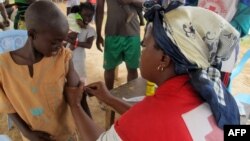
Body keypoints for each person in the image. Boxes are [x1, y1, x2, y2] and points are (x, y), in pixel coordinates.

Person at [65, 1, 240, 140]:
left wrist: (75, 105)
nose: (141, 47)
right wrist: (110, 99)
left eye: (145, 45)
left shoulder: (150, 115)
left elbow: (144, 122)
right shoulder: (214, 96)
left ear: (164, 59)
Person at [0, 1, 90, 140]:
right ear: (32, 34)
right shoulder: (3, 66)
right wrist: (27, 132)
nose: (60, 47)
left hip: (65, 134)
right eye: (54, 42)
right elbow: (6, 105)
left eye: (62, 41)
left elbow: (77, 93)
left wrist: (91, 131)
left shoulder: (62, 57)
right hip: (33, 136)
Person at [185, 0, 250, 87]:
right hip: (194, 42)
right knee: (188, 83)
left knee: (217, 87)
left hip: (225, 49)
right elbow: (189, 6)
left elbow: (242, 22)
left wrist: (214, 41)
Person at [96, 0, 142, 90]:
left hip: (132, 33)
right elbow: (99, 11)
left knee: (132, 68)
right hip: (112, 32)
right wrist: (98, 35)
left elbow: (144, 4)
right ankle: (109, 96)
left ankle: (131, 97)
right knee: (109, 68)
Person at [66, 2, 96, 82]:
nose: (87, 18)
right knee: (66, 78)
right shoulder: (71, 26)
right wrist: (68, 40)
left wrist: (74, 43)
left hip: (79, 59)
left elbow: (89, 45)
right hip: (66, 57)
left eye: (90, 16)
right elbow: (63, 38)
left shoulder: (90, 30)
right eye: (85, 15)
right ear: (79, 14)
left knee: (79, 79)